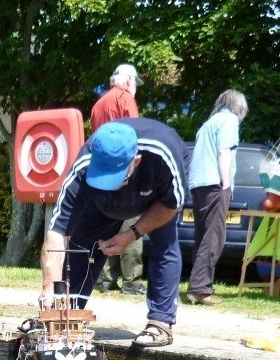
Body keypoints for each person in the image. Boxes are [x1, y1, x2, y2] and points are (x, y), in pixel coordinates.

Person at [39, 118, 189, 347]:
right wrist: (50, 285)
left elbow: (171, 205)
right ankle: (65, 315)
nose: (110, 186)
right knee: (77, 244)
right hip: (100, 205)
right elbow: (57, 234)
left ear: (135, 161)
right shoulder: (84, 165)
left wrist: (132, 234)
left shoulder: (163, 154)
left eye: (116, 179)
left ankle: (160, 323)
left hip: (157, 198)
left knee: (165, 243)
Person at [186, 89, 249, 305]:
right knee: (214, 236)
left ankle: (199, 286)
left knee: (203, 236)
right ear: (239, 107)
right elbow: (224, 153)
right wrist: (227, 183)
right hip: (215, 183)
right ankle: (200, 289)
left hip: (198, 184)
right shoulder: (229, 121)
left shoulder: (209, 123)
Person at [91, 64, 146, 296]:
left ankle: (105, 279)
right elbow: (135, 135)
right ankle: (132, 281)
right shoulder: (125, 99)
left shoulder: (98, 104)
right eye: (135, 83)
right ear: (129, 81)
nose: (136, 89)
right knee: (131, 223)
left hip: (104, 172)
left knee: (106, 221)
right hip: (126, 168)